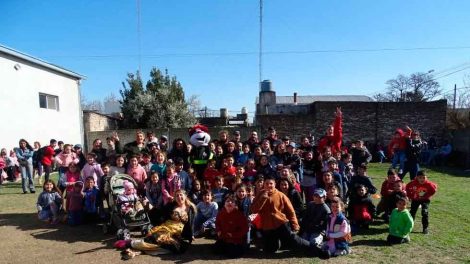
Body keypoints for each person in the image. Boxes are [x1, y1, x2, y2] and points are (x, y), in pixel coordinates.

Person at [251, 175, 326, 257]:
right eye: (267, 183)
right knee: (270, 249)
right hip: (268, 227)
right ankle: (278, 243)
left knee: (295, 240)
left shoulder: (281, 195)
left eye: (271, 183)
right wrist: (262, 199)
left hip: (281, 224)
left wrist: (295, 225)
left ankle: (317, 250)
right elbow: (254, 210)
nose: (269, 185)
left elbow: (291, 211)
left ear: (275, 184)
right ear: (264, 184)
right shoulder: (259, 195)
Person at [214, 194, 249, 258]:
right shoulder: (221, 213)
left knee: (232, 254)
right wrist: (218, 230)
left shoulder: (240, 215)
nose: (229, 203)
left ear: (235, 205)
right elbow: (217, 223)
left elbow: (245, 229)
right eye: (227, 201)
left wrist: (233, 235)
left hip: (236, 239)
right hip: (224, 238)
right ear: (224, 204)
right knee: (216, 250)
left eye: (232, 202)